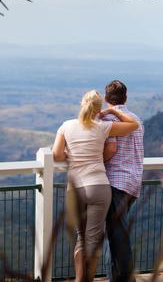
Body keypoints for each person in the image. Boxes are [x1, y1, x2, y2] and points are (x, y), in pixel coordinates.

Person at [52, 90, 140, 282]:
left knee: (81, 238)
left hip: (75, 188)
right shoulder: (103, 127)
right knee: (93, 240)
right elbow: (134, 125)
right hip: (99, 186)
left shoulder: (66, 126)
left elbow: (57, 155)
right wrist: (115, 112)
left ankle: (79, 279)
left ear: (81, 104)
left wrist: (71, 156)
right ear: (98, 108)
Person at [101, 80, 144, 282]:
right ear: (125, 97)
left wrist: (95, 160)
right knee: (117, 233)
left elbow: (111, 149)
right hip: (133, 182)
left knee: (116, 235)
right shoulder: (135, 119)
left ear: (106, 98)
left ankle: (122, 279)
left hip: (115, 181)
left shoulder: (108, 119)